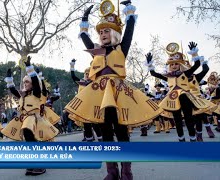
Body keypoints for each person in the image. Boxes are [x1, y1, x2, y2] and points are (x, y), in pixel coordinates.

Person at [65, 2, 162, 179]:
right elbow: (84, 36)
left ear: (115, 33)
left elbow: (130, 32)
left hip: (119, 93)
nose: (103, 34)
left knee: (121, 130)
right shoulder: (96, 51)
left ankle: (127, 170)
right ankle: (112, 171)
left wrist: (129, 11)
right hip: (99, 95)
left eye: (106, 31)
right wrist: (84, 20)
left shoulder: (121, 49)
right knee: (105, 132)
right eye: (101, 32)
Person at [1, 56, 59, 176]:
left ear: (33, 83)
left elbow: (37, 84)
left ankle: (40, 165)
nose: (25, 84)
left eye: (27, 82)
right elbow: (12, 90)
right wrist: (9, 79)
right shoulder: (23, 95)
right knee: (30, 142)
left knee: (34, 141)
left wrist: (29, 68)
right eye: (24, 82)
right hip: (25, 119)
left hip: (36, 119)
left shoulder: (37, 93)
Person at [146, 42, 209, 142]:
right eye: (172, 64)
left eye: (176, 64)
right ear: (169, 66)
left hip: (185, 97)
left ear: (180, 65)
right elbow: (154, 73)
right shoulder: (168, 77)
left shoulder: (186, 73)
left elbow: (196, 65)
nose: (174, 66)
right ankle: (181, 139)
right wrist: (149, 64)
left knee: (188, 119)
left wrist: (194, 53)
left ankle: (193, 138)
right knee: (177, 120)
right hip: (173, 99)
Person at [70, 58, 102, 141]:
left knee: (96, 124)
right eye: (86, 73)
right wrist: (72, 66)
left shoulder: (95, 82)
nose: (87, 75)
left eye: (89, 73)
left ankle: (101, 139)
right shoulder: (80, 82)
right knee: (86, 125)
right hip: (84, 107)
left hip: (93, 106)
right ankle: (89, 140)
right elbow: (73, 76)